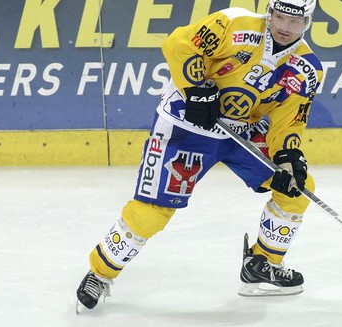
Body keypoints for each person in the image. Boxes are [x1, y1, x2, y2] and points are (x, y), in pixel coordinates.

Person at [76, 0, 323, 312]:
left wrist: (288, 155)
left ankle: (261, 266)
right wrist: (194, 88)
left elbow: (289, 120)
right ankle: (100, 272)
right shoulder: (235, 23)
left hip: (240, 133)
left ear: (308, 21)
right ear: (270, 11)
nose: (286, 27)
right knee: (153, 211)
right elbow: (180, 44)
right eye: (280, 16)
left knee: (297, 187)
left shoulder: (307, 69)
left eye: (295, 21)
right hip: (185, 125)